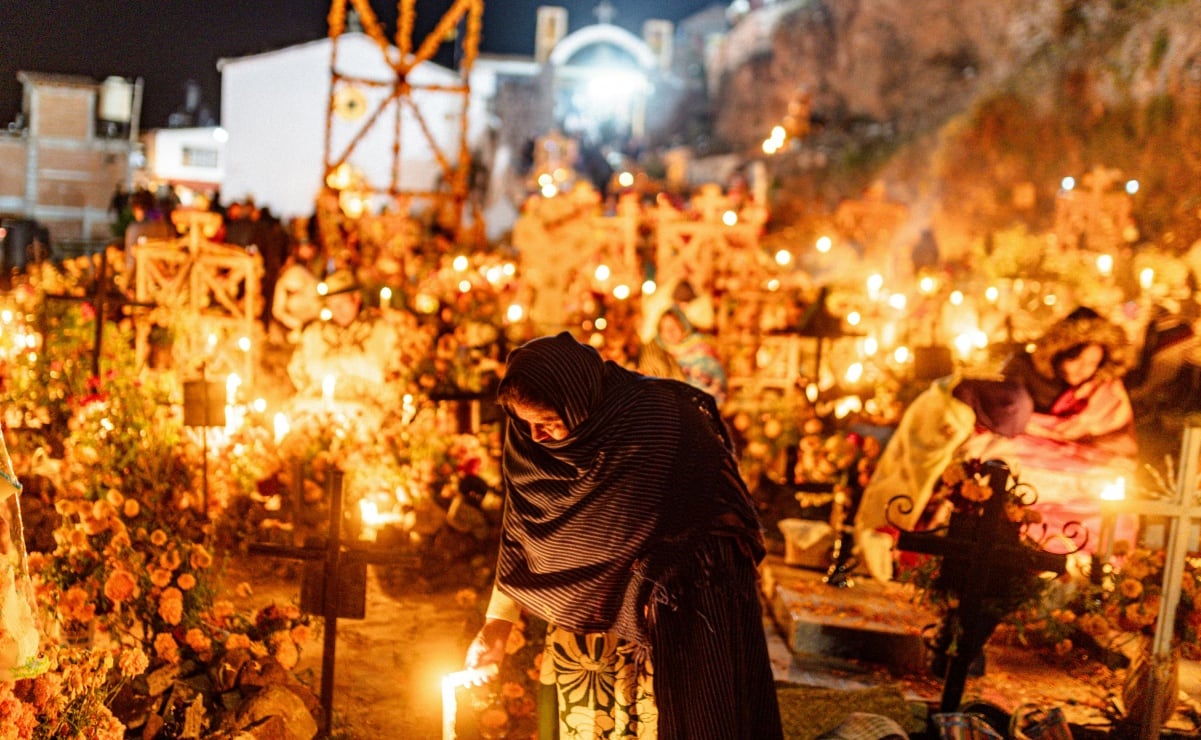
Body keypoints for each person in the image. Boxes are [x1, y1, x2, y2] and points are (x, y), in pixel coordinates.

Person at [465, 332, 782, 739]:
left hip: (679, 613)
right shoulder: (531, 443)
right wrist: (497, 625)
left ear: (579, 404)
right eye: (526, 424)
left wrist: (653, 580)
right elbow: (522, 531)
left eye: (547, 423)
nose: (537, 437)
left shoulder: (655, 423)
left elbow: (710, 515)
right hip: (590, 629)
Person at [855, 306, 1138, 579]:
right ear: (1060, 351)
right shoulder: (1023, 374)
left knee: (1106, 494)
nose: (1082, 371)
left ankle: (1083, 567)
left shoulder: (1104, 390)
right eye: (1076, 360)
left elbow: (1115, 442)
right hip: (1026, 446)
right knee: (1004, 473)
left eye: (1091, 364)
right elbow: (998, 417)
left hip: (1082, 459)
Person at [285, 269, 403, 411]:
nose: (338, 310)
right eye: (332, 304)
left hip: (368, 411)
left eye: (342, 303)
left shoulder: (382, 331)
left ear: (356, 298)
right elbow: (298, 371)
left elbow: (396, 374)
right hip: (320, 410)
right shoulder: (314, 334)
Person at [652, 305, 729, 404]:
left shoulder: (702, 348)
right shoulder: (659, 356)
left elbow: (716, 382)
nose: (669, 332)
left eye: (673, 327)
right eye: (664, 329)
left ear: (684, 326)